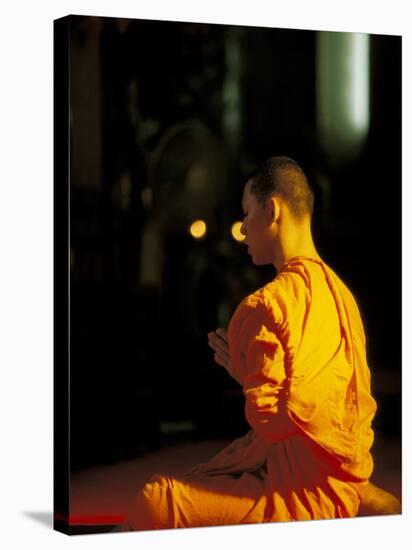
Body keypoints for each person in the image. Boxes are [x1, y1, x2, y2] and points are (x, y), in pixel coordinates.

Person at [121, 156, 400, 531]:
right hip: (343, 477)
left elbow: (271, 423)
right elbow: (321, 407)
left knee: (154, 500)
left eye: (247, 212)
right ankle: (355, 500)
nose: (243, 229)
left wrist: (249, 377)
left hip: (301, 493)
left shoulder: (266, 306)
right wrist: (247, 373)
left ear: (271, 210)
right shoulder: (342, 295)